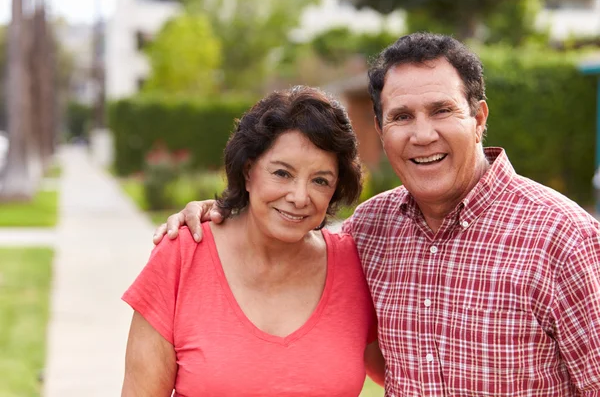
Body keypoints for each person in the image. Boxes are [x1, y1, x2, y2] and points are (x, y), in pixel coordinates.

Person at [154, 32, 600, 396]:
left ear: (479, 117)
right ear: (382, 130)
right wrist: (227, 211)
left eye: (442, 110)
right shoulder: (369, 232)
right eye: (402, 116)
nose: (423, 134)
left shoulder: (565, 239)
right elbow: (292, 222)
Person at [122, 86, 385, 396]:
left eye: (320, 180)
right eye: (282, 173)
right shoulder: (182, 254)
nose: (300, 197)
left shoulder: (356, 266)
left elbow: (413, 373)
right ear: (248, 172)